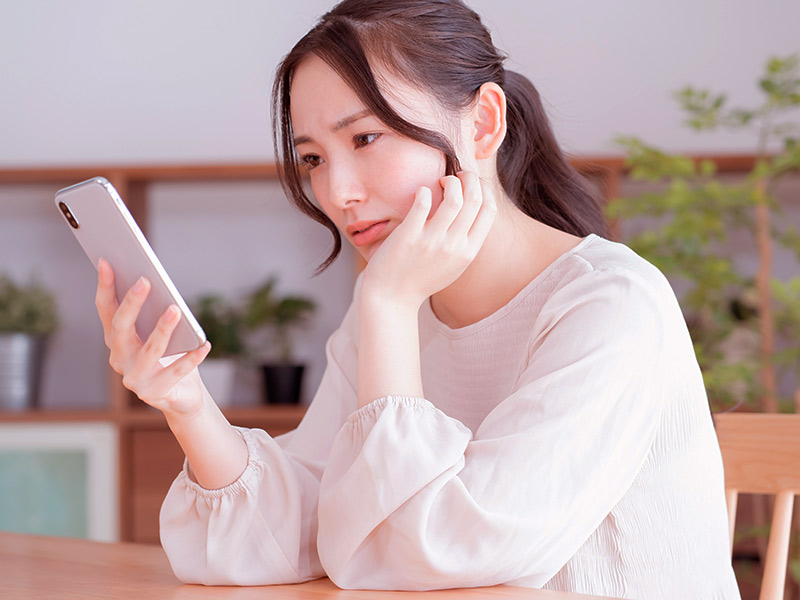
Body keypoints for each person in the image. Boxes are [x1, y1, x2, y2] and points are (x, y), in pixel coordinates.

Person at [93, 1, 741, 597]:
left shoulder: (610, 307)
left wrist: (390, 308)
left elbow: (436, 554)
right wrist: (187, 404)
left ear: (484, 123)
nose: (337, 191)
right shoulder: (390, 306)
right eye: (313, 158)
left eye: (365, 139)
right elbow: (306, 531)